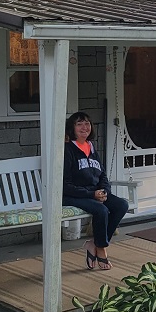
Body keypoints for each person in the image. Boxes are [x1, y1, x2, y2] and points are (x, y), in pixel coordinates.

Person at [63, 111, 128, 271]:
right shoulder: (68, 150)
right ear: (72, 128)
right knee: (101, 210)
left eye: (87, 123)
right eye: (79, 124)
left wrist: (104, 191)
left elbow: (102, 175)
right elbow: (65, 184)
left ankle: (94, 244)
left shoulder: (91, 148)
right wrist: (91, 194)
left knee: (121, 205)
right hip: (73, 195)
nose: (84, 127)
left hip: (94, 193)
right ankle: (102, 249)